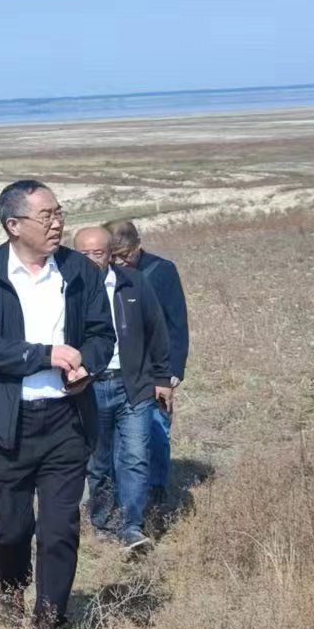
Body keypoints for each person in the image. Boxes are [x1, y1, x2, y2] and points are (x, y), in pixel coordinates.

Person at [0, 181, 113, 629]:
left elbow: (102, 335)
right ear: (13, 225)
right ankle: (12, 588)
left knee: (60, 529)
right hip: (6, 423)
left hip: (67, 419)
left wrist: (88, 366)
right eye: (46, 216)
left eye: (59, 213)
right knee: (10, 528)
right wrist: (44, 355)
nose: (57, 223)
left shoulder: (79, 271)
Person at [72, 226, 172, 555]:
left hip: (134, 384)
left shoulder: (134, 283)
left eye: (97, 253)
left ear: (110, 254)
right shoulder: (66, 288)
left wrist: (162, 378)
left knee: (136, 456)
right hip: (90, 387)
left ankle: (132, 526)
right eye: (83, 254)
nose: (90, 260)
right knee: (98, 462)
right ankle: (103, 522)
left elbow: (157, 330)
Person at [104, 219, 189, 510]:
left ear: (138, 245)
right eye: (113, 255)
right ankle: (120, 495)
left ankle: (156, 491)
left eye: (125, 255)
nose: (119, 262)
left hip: (156, 368)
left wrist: (173, 370)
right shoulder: (103, 273)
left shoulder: (161, 270)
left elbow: (177, 323)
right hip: (121, 368)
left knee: (156, 429)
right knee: (119, 436)